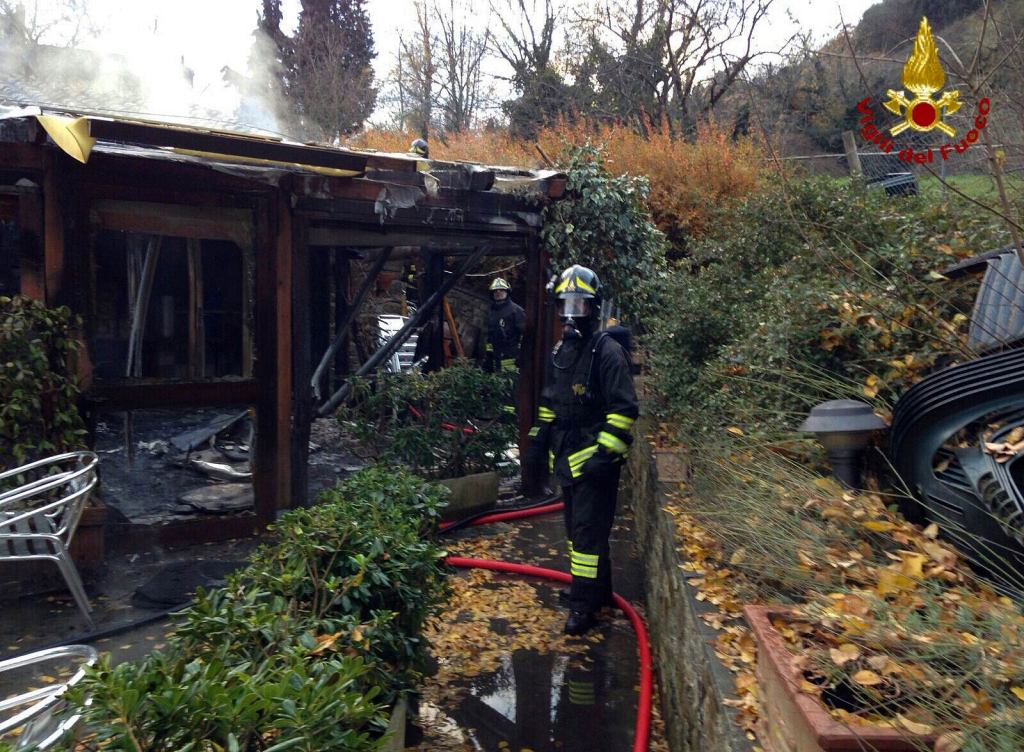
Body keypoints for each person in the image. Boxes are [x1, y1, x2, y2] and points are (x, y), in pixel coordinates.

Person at [525, 264, 638, 636]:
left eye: (580, 305)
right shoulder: (563, 352)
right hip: (569, 462)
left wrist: (604, 456)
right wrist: (540, 436)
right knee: (578, 533)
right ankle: (596, 592)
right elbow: (551, 400)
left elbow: (624, 412)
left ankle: (583, 606)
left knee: (587, 537)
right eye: (566, 304)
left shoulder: (607, 353)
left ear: (594, 308)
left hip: (595, 463)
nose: (571, 313)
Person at [483, 277, 526, 414]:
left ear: (507, 292)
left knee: (510, 388)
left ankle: (510, 419)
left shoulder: (516, 311)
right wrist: (488, 355)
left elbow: (524, 334)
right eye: (496, 291)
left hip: (511, 358)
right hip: (495, 358)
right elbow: (489, 337)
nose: (498, 293)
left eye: (501, 290)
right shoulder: (491, 312)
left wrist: (520, 354)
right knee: (496, 388)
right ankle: (497, 416)